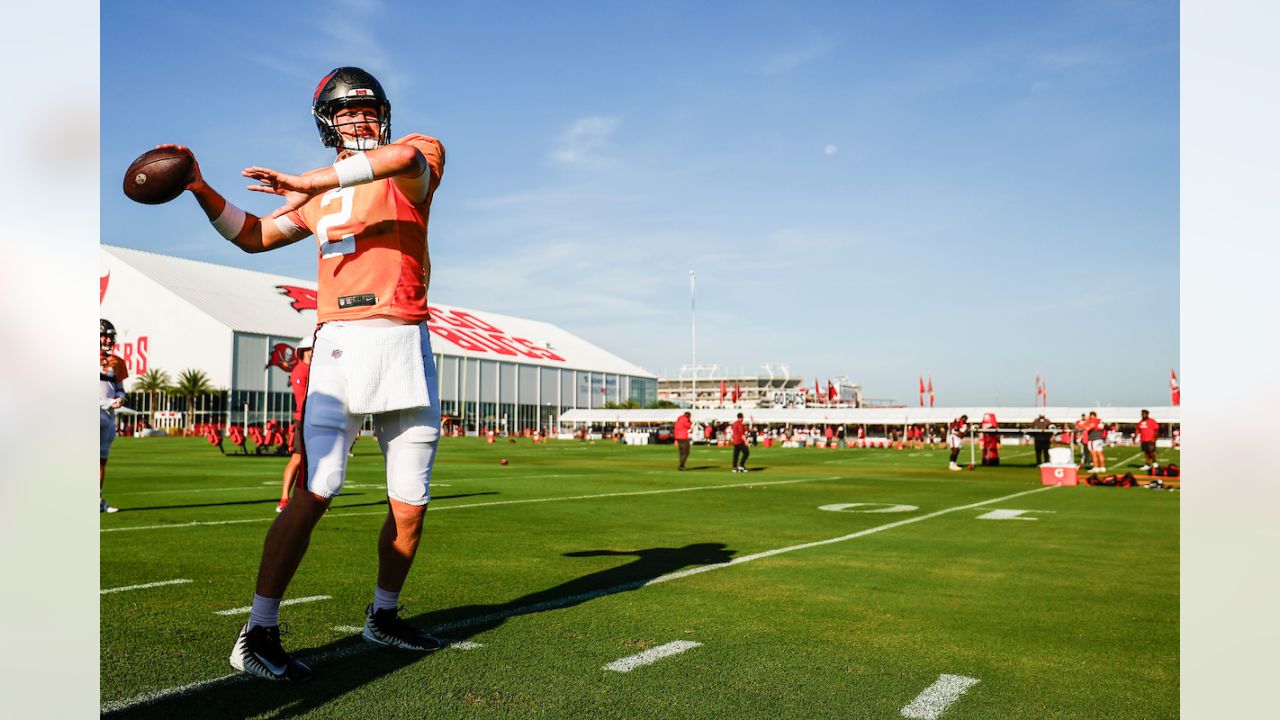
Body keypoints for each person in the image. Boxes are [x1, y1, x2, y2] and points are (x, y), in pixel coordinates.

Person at [169, 66, 447, 682]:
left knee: (411, 504)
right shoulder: (317, 195)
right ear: (328, 122)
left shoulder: (415, 156)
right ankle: (258, 629)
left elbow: (400, 156)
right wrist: (199, 186)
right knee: (316, 490)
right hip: (342, 344)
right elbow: (254, 235)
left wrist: (306, 180)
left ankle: (384, 613)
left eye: (367, 108)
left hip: (407, 339)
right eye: (346, 112)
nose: (360, 118)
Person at [277, 334, 315, 512]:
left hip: (312, 418)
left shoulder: (313, 369)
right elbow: (302, 400)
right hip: (304, 418)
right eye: (312, 348)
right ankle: (284, 498)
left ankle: (309, 499)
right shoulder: (300, 370)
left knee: (311, 462)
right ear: (306, 351)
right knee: (297, 458)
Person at [99, 319, 127, 513]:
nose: (108, 340)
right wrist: (109, 402)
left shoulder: (117, 361)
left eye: (110, 336)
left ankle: (97, 500)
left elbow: (119, 388)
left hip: (108, 416)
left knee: (101, 460)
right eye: (105, 336)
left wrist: (120, 399)